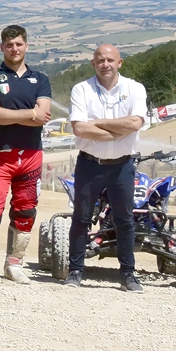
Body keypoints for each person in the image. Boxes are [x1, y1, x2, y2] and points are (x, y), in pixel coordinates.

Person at [0, 25, 52, 287]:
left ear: (26, 46)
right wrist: (30, 114)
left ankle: (14, 264)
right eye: (9, 44)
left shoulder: (41, 79)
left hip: (31, 156)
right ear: (1, 47)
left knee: (25, 211)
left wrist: (15, 116)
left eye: (18, 44)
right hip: (0, 156)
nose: (14, 49)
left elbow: (43, 117)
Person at [64, 44, 148, 293]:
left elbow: (135, 122)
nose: (106, 64)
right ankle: (76, 270)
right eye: (100, 60)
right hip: (90, 164)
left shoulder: (135, 88)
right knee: (80, 219)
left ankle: (128, 274)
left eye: (110, 60)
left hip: (122, 165)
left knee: (124, 220)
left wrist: (98, 124)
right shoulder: (81, 89)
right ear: (93, 63)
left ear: (119, 62)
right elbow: (80, 129)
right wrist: (117, 132)